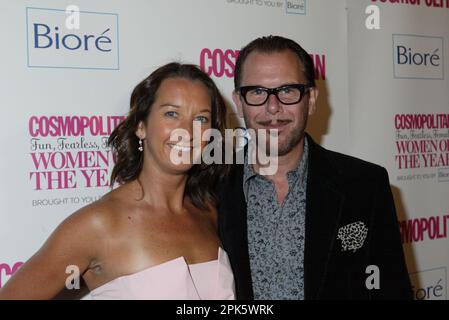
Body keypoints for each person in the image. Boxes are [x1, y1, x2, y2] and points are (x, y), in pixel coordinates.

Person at [0, 63, 235, 300]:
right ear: (141, 126)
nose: (187, 131)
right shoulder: (98, 224)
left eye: (202, 119)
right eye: (171, 114)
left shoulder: (209, 212)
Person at [217, 35, 413, 300]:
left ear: (311, 99)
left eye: (288, 90)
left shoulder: (365, 185)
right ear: (239, 102)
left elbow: (391, 289)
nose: (273, 107)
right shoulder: (211, 188)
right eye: (257, 92)